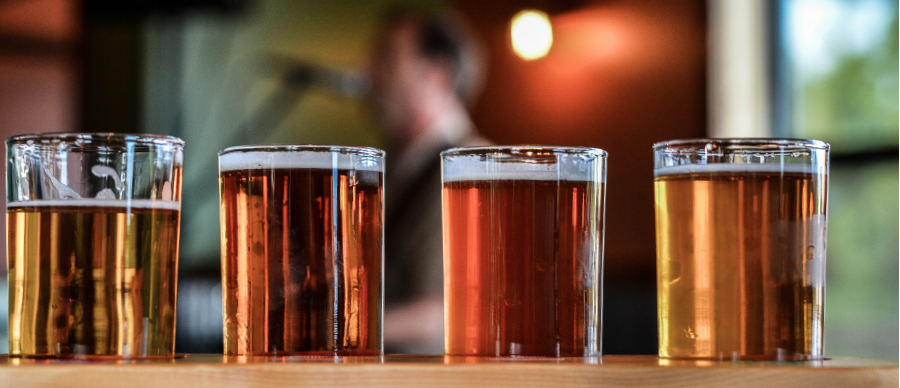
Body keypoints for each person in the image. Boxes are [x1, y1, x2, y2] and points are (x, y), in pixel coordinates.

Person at [365, 8, 489, 353]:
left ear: (437, 74)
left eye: (386, 57)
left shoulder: (474, 168)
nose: (368, 70)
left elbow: (455, 312)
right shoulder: (402, 166)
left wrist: (331, 329)